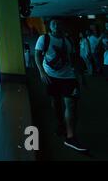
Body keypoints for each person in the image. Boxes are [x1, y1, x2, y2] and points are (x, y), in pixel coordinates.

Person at [35, 19, 87, 152]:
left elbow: (73, 58)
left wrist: (81, 75)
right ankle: (60, 123)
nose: (57, 25)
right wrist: (41, 72)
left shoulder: (68, 41)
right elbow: (37, 55)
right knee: (56, 102)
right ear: (50, 27)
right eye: (54, 24)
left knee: (71, 104)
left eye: (59, 23)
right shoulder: (44, 38)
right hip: (51, 76)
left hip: (68, 77)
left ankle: (70, 137)